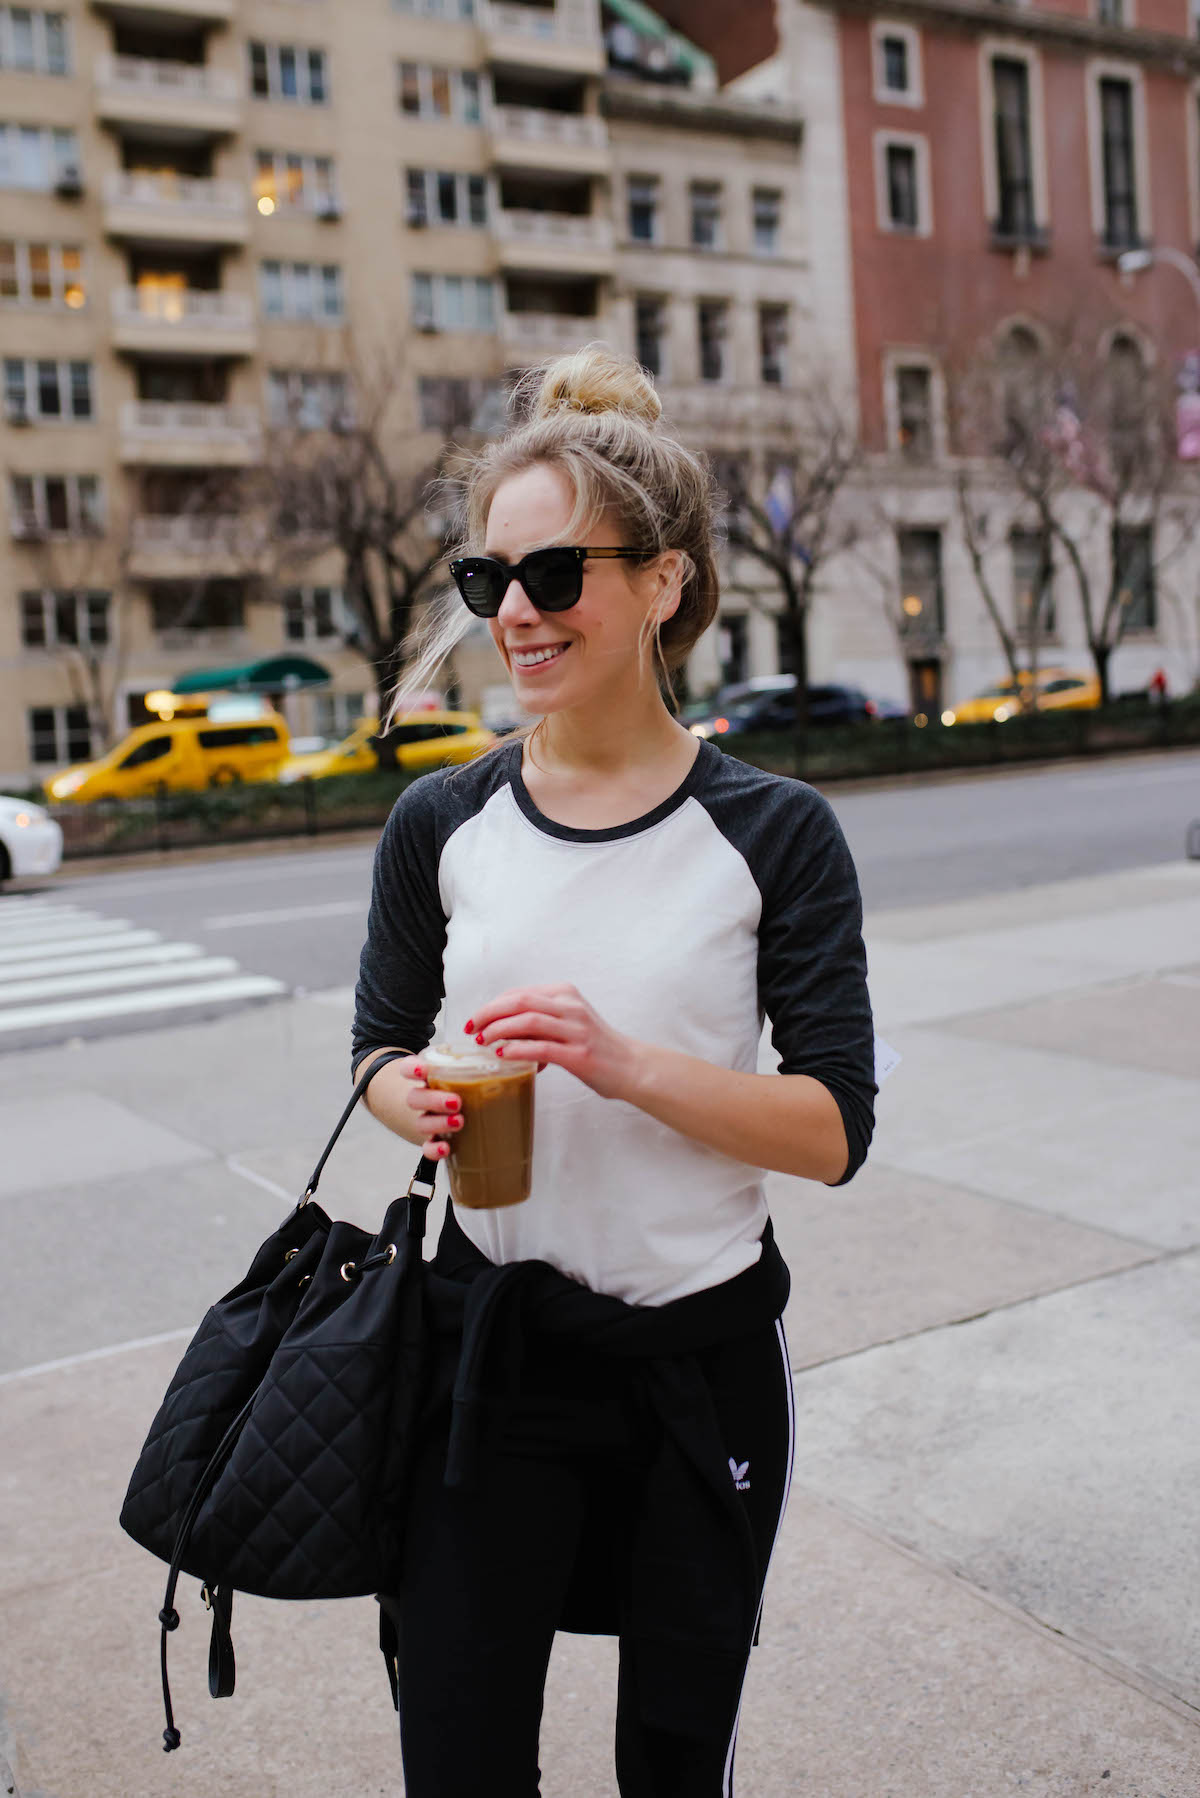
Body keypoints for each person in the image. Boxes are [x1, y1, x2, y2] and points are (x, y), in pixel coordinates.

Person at [351, 346, 876, 1797]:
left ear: (664, 582)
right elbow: (379, 1053)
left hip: (696, 1365)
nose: (515, 614)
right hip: (483, 1357)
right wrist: (429, 1096)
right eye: (487, 583)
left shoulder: (774, 834)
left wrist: (623, 1062)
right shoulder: (437, 824)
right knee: (458, 1761)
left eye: (555, 575)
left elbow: (833, 1128)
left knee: (671, 1764)